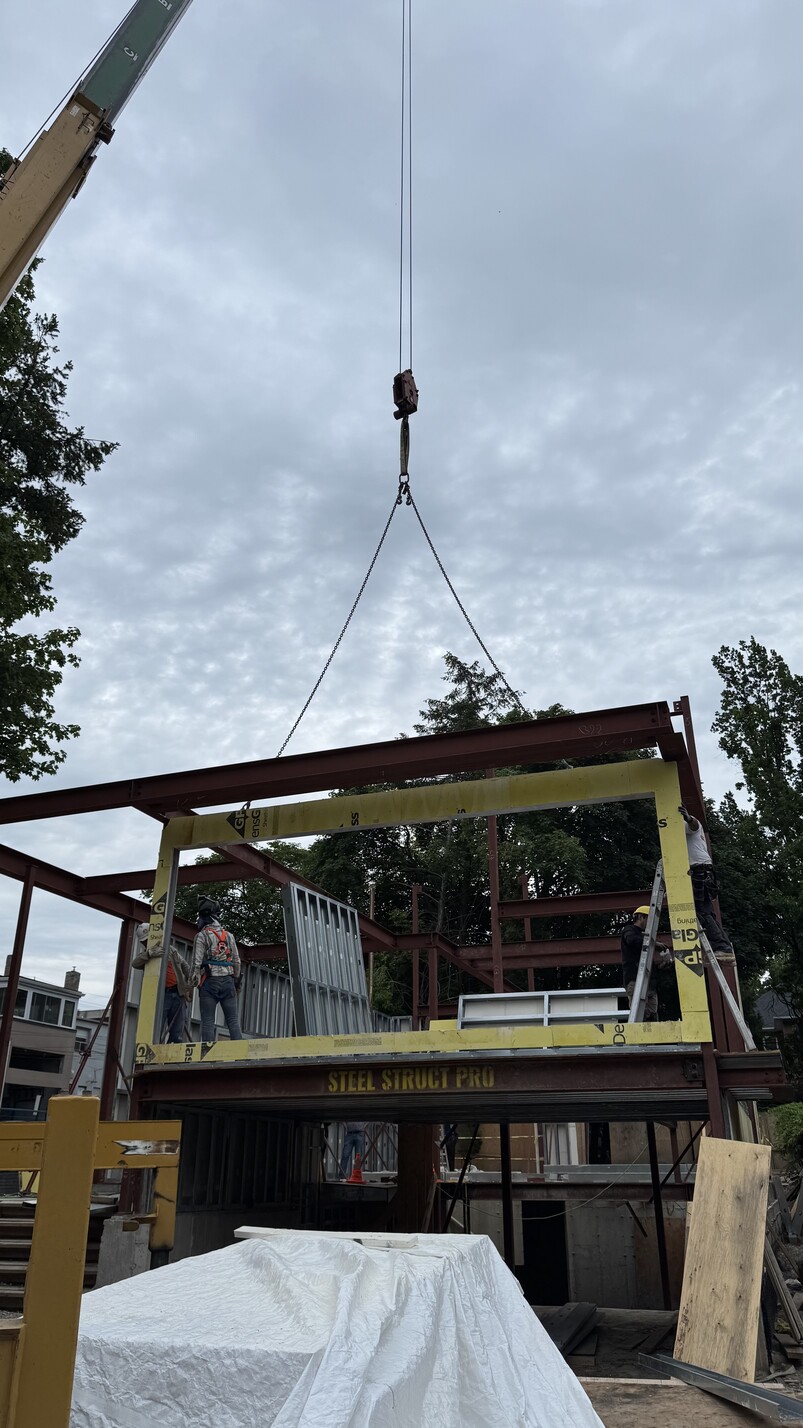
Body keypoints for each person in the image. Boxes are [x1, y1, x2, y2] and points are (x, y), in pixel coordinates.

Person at [678, 805, 733, 955]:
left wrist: (688, 818)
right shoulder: (679, 831)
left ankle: (721, 946)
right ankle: (724, 946)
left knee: (701, 911)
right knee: (707, 912)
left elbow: (694, 825)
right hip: (703, 871)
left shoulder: (685, 824)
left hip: (700, 871)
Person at [192, 897, 243, 1043]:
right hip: (228, 981)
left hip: (209, 981)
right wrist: (236, 981)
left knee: (208, 1021)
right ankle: (239, 1053)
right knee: (233, 1020)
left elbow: (196, 963)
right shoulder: (229, 936)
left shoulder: (201, 936)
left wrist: (193, 983)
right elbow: (237, 961)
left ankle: (207, 1054)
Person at [620, 906, 673, 1022]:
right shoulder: (629, 930)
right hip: (635, 981)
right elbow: (632, 940)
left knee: (652, 1017)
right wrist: (654, 944)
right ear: (641, 917)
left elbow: (649, 966)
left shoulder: (645, 936)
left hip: (650, 984)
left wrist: (662, 965)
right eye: (649, 919)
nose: (651, 924)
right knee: (640, 1016)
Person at [162, 942, 193, 1043]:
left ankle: (173, 1046)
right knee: (157, 1028)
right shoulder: (150, 952)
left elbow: (186, 967)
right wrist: (149, 954)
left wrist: (192, 982)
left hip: (178, 994)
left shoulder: (171, 950)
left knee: (177, 1030)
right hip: (163, 995)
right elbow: (136, 963)